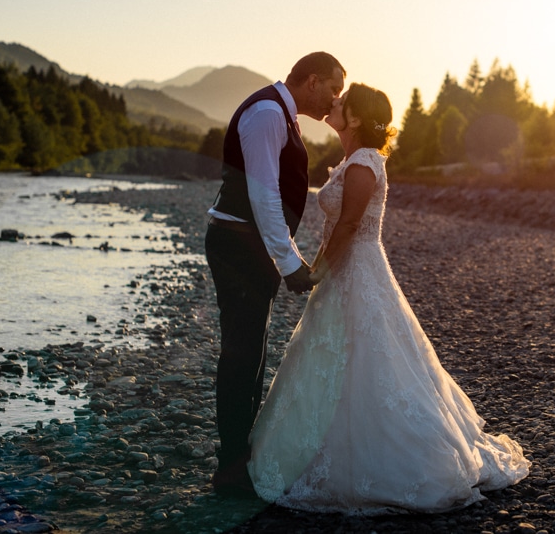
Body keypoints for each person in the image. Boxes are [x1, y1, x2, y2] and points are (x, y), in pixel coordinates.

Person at [248, 83, 530, 513]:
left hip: (356, 271)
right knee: (340, 357)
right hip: (347, 270)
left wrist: (316, 272)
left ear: (357, 118)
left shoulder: (362, 164)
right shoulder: (352, 161)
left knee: (368, 357)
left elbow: (347, 227)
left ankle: (399, 462)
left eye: (342, 103)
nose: (334, 103)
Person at [206, 51, 346, 497]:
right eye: (333, 89)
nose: (334, 99)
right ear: (311, 81)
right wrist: (290, 265)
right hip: (239, 246)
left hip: (251, 246)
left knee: (253, 352)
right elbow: (264, 195)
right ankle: (230, 467)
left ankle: (240, 456)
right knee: (241, 354)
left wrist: (279, 256)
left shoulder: (282, 115)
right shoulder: (268, 114)